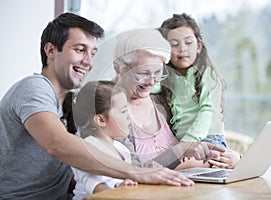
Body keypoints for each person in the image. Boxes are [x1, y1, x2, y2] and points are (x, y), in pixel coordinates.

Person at [0, 13, 194, 200]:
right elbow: (57, 144)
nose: (88, 61)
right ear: (51, 51)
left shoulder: (73, 101)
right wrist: (137, 172)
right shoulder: (34, 88)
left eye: (93, 53)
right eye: (79, 50)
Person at [112, 28, 225, 169]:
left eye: (158, 72)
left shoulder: (161, 100)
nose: (152, 81)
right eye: (143, 73)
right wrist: (180, 150)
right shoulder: (108, 110)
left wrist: (233, 159)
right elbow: (135, 170)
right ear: (118, 68)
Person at [156, 13, 240, 168]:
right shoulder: (167, 77)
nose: (182, 49)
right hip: (183, 143)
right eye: (174, 44)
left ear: (199, 46)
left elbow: (206, 111)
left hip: (208, 139)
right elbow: (148, 86)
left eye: (188, 42)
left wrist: (187, 143)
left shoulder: (207, 74)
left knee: (177, 167)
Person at [63, 81, 139, 199]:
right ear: (101, 120)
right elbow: (92, 183)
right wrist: (117, 191)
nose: (129, 117)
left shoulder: (122, 149)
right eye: (123, 111)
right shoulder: (86, 148)